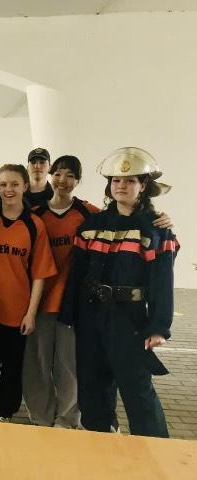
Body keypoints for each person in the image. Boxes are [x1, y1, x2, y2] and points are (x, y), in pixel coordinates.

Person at [61, 147, 179, 437]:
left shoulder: (155, 230)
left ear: (143, 186)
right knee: (92, 385)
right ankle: (100, 440)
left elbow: (162, 282)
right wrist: (69, 315)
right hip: (91, 316)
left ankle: (155, 449)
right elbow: (77, 274)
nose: (121, 186)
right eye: (116, 181)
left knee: (137, 389)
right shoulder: (91, 225)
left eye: (129, 181)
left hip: (129, 319)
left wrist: (159, 327)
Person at [0, 164, 56, 422]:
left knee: (12, 367)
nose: (9, 189)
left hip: (16, 311)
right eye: (4, 184)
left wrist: (31, 313)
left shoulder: (34, 225)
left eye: (15, 184)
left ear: (25, 187)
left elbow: (40, 273)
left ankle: (6, 412)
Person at [22, 155, 100, 428]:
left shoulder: (89, 214)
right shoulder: (36, 215)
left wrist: (158, 217)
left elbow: (122, 220)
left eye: (70, 176)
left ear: (78, 181)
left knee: (68, 365)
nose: (62, 181)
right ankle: (40, 416)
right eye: (58, 174)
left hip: (72, 305)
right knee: (37, 363)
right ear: (50, 176)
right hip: (39, 302)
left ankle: (66, 419)